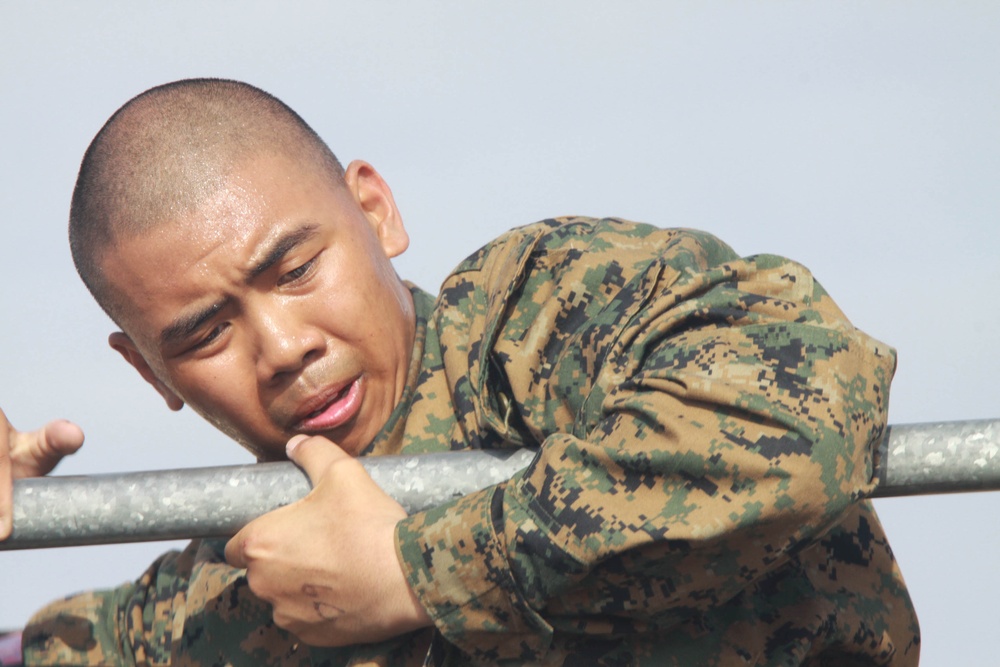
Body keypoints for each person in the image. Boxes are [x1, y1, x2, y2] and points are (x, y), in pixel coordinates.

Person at [1, 78, 919, 666]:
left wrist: (414, 571)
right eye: (205, 332)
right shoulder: (229, 595)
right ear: (150, 371)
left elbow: (797, 401)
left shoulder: (533, 322)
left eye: (294, 270)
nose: (282, 346)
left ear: (375, 209)